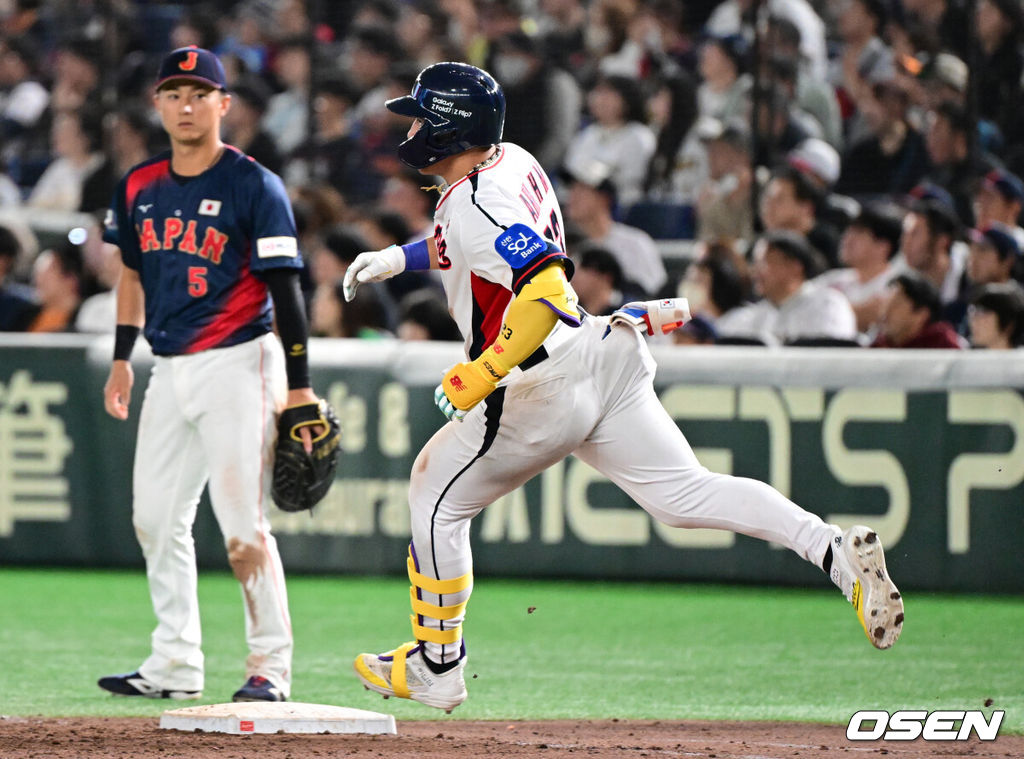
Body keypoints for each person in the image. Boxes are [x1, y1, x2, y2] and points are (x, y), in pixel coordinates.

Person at [342, 61, 904, 714]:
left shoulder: (475, 202)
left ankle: (439, 665)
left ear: (448, 127)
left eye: (421, 116)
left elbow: (545, 290)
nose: (411, 127)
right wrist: (397, 258)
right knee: (686, 492)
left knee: (433, 495)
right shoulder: (509, 162)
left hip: (537, 385)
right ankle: (830, 549)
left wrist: (484, 370)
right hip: (599, 353)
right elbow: (462, 241)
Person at [97, 47, 327, 704]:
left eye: (200, 93)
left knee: (241, 529)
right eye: (174, 93)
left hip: (240, 362)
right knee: (154, 518)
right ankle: (174, 661)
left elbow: (286, 290)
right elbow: (132, 276)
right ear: (157, 104)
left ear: (224, 104)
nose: (187, 105)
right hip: (168, 365)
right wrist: (122, 358)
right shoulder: (139, 185)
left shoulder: (254, 184)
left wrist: (299, 384)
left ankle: (270, 667)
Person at [871, 272, 963, 349]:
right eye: (885, 304)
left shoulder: (944, 347)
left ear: (922, 315)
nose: (885, 312)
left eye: (895, 305)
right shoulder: (878, 346)